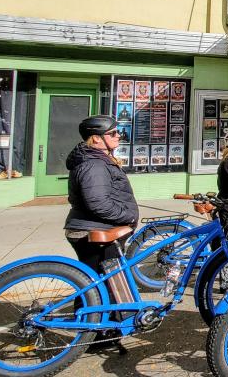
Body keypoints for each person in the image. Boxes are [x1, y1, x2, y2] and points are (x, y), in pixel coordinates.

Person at [64, 115, 138, 351]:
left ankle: (101, 330)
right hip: (94, 230)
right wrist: (127, 216)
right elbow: (97, 202)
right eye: (113, 134)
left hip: (96, 227)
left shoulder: (97, 159)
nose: (119, 137)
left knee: (94, 280)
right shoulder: (93, 163)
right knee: (97, 283)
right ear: (96, 139)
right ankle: (96, 334)